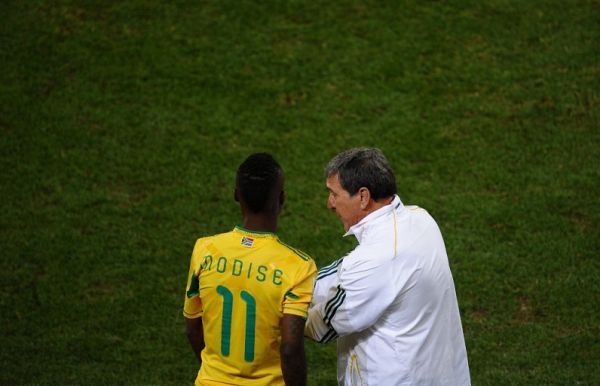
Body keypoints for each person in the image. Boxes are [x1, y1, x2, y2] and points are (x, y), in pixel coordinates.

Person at [305, 148, 470, 385]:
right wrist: (297, 284)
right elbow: (346, 271)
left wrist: (279, 306)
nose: (329, 204)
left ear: (363, 196)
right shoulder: (420, 218)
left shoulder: (377, 257)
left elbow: (324, 326)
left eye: (334, 194)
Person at [184, 153, 317, 386]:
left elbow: (193, 325)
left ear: (236, 195)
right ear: (281, 198)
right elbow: (290, 348)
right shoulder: (298, 267)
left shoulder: (205, 251)